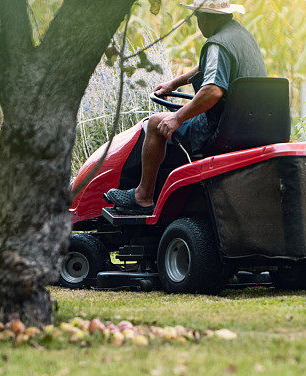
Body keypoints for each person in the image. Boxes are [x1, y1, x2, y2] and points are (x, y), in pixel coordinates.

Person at [104, 0, 266, 215]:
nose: (198, 23)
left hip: (221, 126)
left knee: (155, 123)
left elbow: (213, 91)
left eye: (198, 18)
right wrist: (175, 83)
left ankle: (143, 196)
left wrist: (177, 117)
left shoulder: (217, 43)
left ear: (205, 17)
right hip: (250, 122)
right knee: (169, 120)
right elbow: (209, 65)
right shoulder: (240, 36)